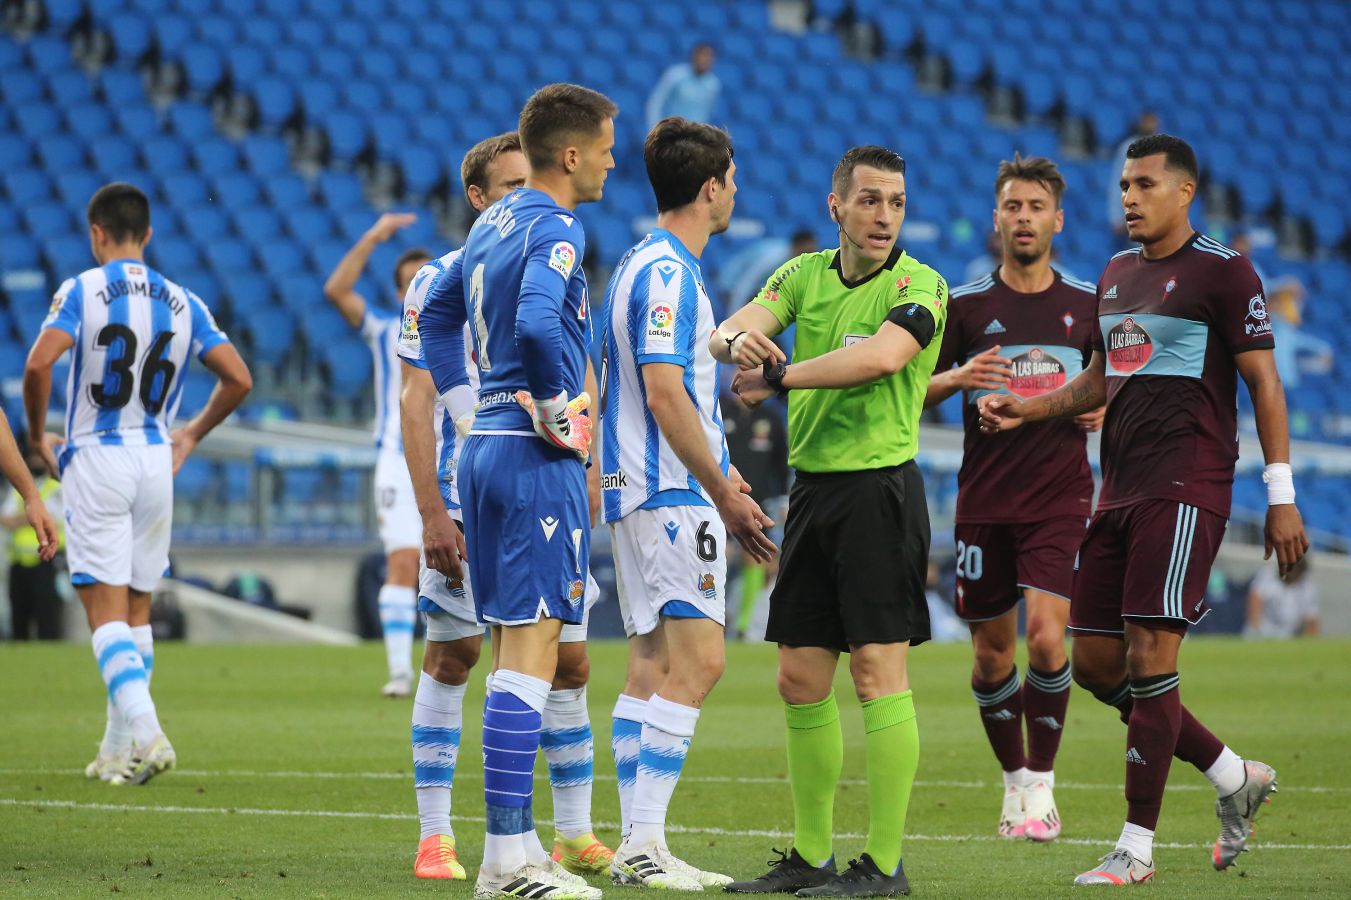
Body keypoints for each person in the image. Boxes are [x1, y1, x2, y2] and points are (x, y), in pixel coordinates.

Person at [978, 134, 1309, 886]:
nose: (1127, 196)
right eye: (1124, 184)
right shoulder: (1116, 273)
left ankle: (1134, 848)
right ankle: (1231, 775)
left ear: (1183, 192)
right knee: (1093, 663)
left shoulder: (1224, 274)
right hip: (1117, 491)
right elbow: (1099, 378)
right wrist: (1028, 411)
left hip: (1187, 486)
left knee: (1152, 660)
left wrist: (1279, 495)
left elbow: (1263, 383)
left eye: (1144, 184)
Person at [715, 145, 946, 898]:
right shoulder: (801, 275)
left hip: (880, 492)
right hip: (813, 495)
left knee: (879, 675)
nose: (884, 216)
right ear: (836, 207)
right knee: (799, 677)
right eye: (870, 200)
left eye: (896, 202)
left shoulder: (921, 284)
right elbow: (730, 329)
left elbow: (880, 359)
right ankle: (811, 857)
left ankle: (883, 866)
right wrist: (737, 345)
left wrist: (777, 373)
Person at [397, 131, 613, 883]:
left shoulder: (483, 235)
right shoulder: (551, 227)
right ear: (576, 154)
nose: (613, 161)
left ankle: (524, 846)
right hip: (526, 455)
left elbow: (438, 323)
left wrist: (472, 408)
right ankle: (498, 861)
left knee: (540, 653)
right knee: (520, 659)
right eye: (607, 147)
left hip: (487, 448)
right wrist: (558, 409)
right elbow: (532, 325)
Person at [23, 182, 252, 785]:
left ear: (97, 233)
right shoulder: (183, 301)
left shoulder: (81, 289)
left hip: (97, 456)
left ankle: (149, 735)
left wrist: (35, 437)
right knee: (138, 609)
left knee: (103, 612)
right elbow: (237, 378)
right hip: (156, 459)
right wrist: (193, 433)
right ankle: (114, 750)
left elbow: (38, 363)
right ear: (147, 234)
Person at [600, 117, 775, 891]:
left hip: (637, 488)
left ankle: (636, 844)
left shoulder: (642, 261)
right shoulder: (670, 272)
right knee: (700, 663)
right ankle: (643, 842)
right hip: (668, 490)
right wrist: (718, 491)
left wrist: (726, 467)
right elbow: (663, 390)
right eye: (731, 180)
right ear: (711, 189)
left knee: (649, 665)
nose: (735, 191)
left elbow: (670, 381)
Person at [925, 155, 1100, 843]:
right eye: (1012, 206)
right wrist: (959, 377)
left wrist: (1101, 411)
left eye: (1035, 207)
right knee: (992, 657)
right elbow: (915, 388)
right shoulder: (964, 307)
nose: (1022, 217)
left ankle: (1043, 787)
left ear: (1056, 219)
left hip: (1059, 498)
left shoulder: (1088, 305)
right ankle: (1013, 783)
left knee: (1047, 639)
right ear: (995, 217)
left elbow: (1120, 384)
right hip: (984, 501)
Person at [324, 215, 433, 697]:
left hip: (454, 459)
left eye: (426, 279)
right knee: (403, 563)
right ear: (397, 294)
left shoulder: (466, 332)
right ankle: (400, 672)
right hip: (397, 460)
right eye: (409, 282)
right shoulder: (385, 331)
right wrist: (371, 237)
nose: (419, 289)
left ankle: (452, 669)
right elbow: (337, 291)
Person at [720, 375, 789, 642]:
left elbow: (780, 463)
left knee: (755, 558)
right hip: (721, 498)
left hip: (757, 501)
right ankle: (718, 615)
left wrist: (783, 499)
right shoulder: (721, 413)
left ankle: (744, 626)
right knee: (719, 555)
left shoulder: (771, 419)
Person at [0, 412, 59, 634]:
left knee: (48, 621)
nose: (35, 460)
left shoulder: (53, 487)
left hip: (47, 560)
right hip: (19, 562)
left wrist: (30, 500)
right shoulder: (21, 489)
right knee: (19, 622)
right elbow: (4, 519)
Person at [645, 43, 721, 129]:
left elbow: (708, 112)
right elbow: (656, 103)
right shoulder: (675, 75)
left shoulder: (713, 84)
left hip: (695, 136)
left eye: (710, 57)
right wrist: (655, 129)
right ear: (694, 56)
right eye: (703, 55)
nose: (706, 60)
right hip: (672, 132)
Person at [1245, 556, 1318, 638]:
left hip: (1288, 638)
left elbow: (1311, 620)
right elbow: (1255, 602)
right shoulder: (1267, 576)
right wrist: (1256, 631)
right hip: (1261, 634)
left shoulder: (1307, 587)